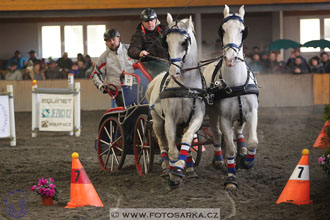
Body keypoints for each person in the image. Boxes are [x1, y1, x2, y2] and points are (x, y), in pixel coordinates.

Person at [93, 28, 135, 107]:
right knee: (125, 108)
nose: (112, 42)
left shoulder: (130, 50)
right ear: (106, 43)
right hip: (117, 91)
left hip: (135, 88)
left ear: (118, 38)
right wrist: (101, 86)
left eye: (113, 39)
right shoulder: (104, 57)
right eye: (109, 41)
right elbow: (96, 74)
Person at [128, 8, 168, 77]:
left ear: (155, 20)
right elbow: (132, 49)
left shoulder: (164, 30)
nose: (149, 23)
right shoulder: (139, 35)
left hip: (168, 63)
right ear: (142, 22)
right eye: (146, 21)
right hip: (150, 66)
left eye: (151, 20)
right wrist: (139, 53)